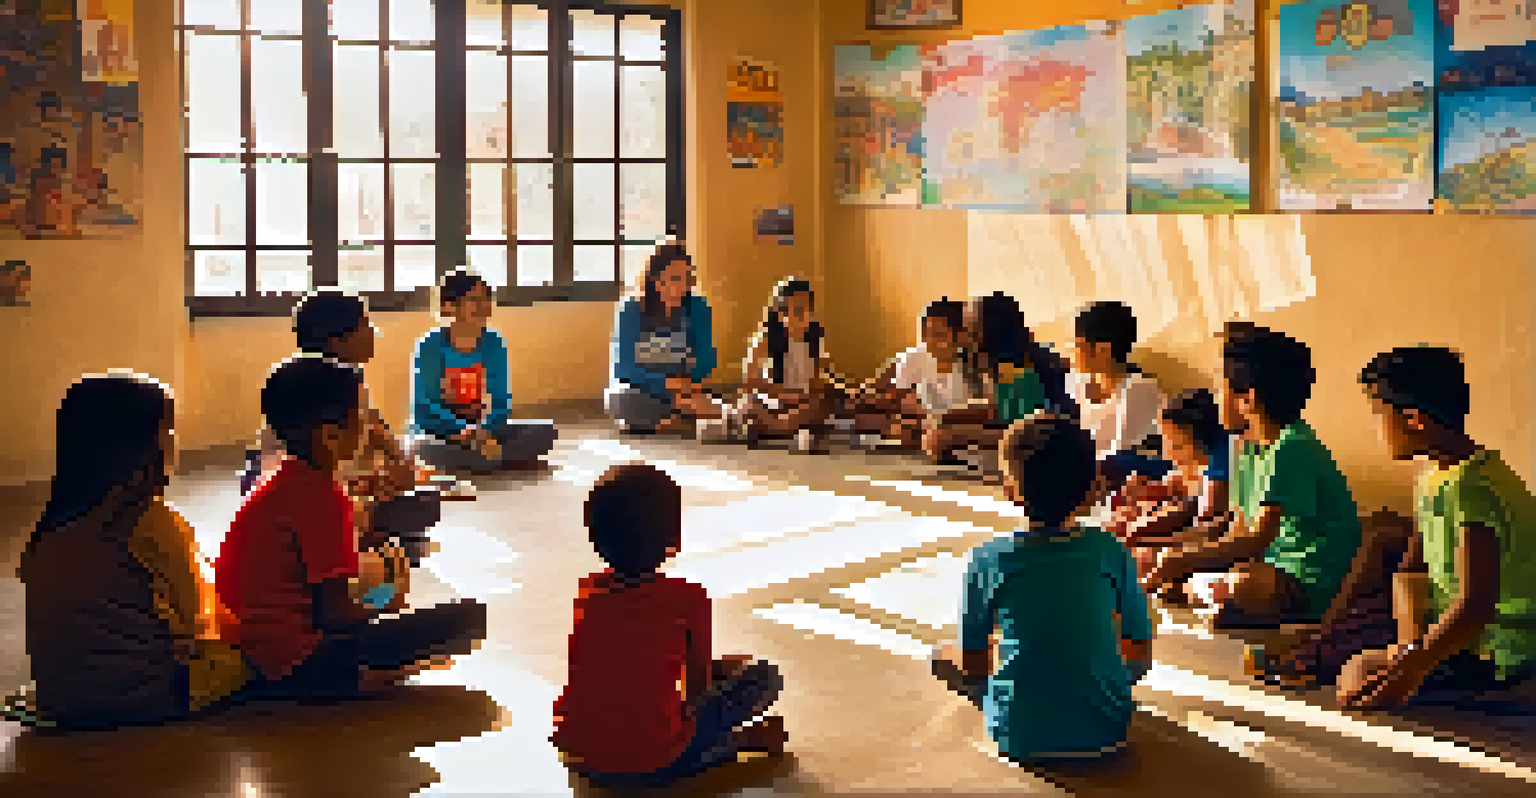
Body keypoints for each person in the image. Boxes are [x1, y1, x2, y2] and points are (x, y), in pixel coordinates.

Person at [217, 357, 488, 700]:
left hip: (256, 652)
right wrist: (386, 599)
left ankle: (373, 670)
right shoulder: (321, 495)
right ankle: (365, 676)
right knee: (466, 618)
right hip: (298, 662)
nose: (370, 427)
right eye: (362, 417)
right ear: (330, 436)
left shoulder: (284, 480)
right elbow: (334, 613)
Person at [16, 373, 249, 730]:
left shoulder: (50, 528)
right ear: (147, 448)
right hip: (150, 695)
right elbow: (196, 618)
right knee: (258, 650)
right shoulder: (151, 522)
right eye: (168, 431)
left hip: (59, 700)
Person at [931, 413, 1154, 763]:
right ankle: (1085, 700)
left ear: (1010, 489)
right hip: (1107, 732)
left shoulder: (988, 558)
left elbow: (974, 662)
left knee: (942, 655)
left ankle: (1027, 707)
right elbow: (1139, 651)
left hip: (1018, 735)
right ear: (1091, 490)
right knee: (1106, 643)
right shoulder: (1110, 550)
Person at [553, 463, 786, 787]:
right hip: (651, 762)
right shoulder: (688, 598)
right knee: (764, 677)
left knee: (666, 686)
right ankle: (740, 742)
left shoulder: (588, 592)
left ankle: (699, 743)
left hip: (581, 756)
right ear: (674, 538)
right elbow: (698, 691)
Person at [1331, 347, 1536, 708]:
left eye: (1380, 414)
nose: (1376, 428)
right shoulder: (1435, 478)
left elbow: (1476, 605)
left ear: (1413, 420)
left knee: (1358, 669)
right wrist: (1410, 651)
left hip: (1497, 648)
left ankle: (1506, 691)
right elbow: (1411, 571)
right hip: (1446, 634)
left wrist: (1412, 667)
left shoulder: (1472, 487)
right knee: (1355, 655)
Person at [1145, 324, 1362, 630]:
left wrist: (1184, 560)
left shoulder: (1290, 447)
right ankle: (1217, 601)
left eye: (1220, 388)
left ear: (1248, 399)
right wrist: (1170, 551)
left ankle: (1224, 603)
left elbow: (1256, 540)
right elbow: (1236, 530)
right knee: (1185, 575)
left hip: (1307, 579)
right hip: (1265, 566)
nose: (1215, 398)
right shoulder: (1246, 448)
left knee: (1240, 585)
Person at [243, 289, 462, 567]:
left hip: (331, 493)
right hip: (308, 508)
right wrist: (367, 490)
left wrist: (394, 470)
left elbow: (379, 435)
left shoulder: (348, 381)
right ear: (337, 341)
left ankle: (369, 533)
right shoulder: (315, 392)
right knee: (415, 505)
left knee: (425, 500)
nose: (374, 332)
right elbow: (314, 473)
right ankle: (364, 536)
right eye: (365, 325)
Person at [410, 270, 559, 472]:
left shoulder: (493, 342)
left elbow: (501, 402)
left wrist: (485, 431)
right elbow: (424, 407)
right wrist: (463, 431)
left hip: (484, 431)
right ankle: (499, 459)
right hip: (442, 432)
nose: (485, 306)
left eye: (487, 299)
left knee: (545, 431)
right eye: (474, 300)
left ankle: (485, 459)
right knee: (422, 448)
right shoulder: (431, 345)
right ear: (449, 306)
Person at [923, 292, 1076, 465]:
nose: (963, 338)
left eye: (969, 330)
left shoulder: (1023, 370)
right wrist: (947, 417)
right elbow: (1000, 409)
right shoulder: (1001, 366)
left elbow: (1028, 435)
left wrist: (958, 436)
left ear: (988, 333)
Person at [706, 277, 841, 453]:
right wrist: (784, 395)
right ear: (781, 314)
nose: (804, 316)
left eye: (808, 310)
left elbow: (814, 381)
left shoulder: (815, 340)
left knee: (823, 404)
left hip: (798, 406)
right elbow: (750, 385)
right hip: (770, 403)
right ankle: (780, 428)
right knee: (752, 409)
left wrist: (821, 390)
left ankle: (777, 429)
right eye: (798, 311)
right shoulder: (764, 341)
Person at [1110, 388, 1233, 577]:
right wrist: (1138, 495)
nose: (1168, 454)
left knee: (1142, 557)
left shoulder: (1215, 466)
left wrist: (1143, 534)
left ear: (1203, 445)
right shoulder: (1187, 465)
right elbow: (1170, 486)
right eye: (1165, 443)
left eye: (1177, 446)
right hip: (1185, 532)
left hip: (1203, 542)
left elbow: (1202, 517)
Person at [606, 243, 724, 436]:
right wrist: (668, 384)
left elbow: (706, 359)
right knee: (618, 399)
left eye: (688, 278)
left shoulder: (698, 308)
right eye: (675, 279)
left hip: (684, 390)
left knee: (710, 404)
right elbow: (624, 368)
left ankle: (659, 421)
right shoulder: (632, 310)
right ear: (655, 280)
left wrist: (688, 385)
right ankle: (679, 419)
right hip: (642, 390)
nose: (684, 286)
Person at [1065, 301, 1169, 490]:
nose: (1070, 351)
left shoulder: (1137, 389)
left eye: (1077, 344)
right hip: (1095, 474)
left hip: (1132, 476)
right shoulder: (1076, 384)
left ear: (1103, 350)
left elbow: (1121, 456)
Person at [848, 298, 969, 449]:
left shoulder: (968, 367)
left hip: (943, 423)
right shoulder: (916, 357)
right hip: (919, 419)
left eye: (939, 335)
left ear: (960, 337)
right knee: (868, 415)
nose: (930, 341)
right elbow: (893, 397)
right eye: (926, 335)